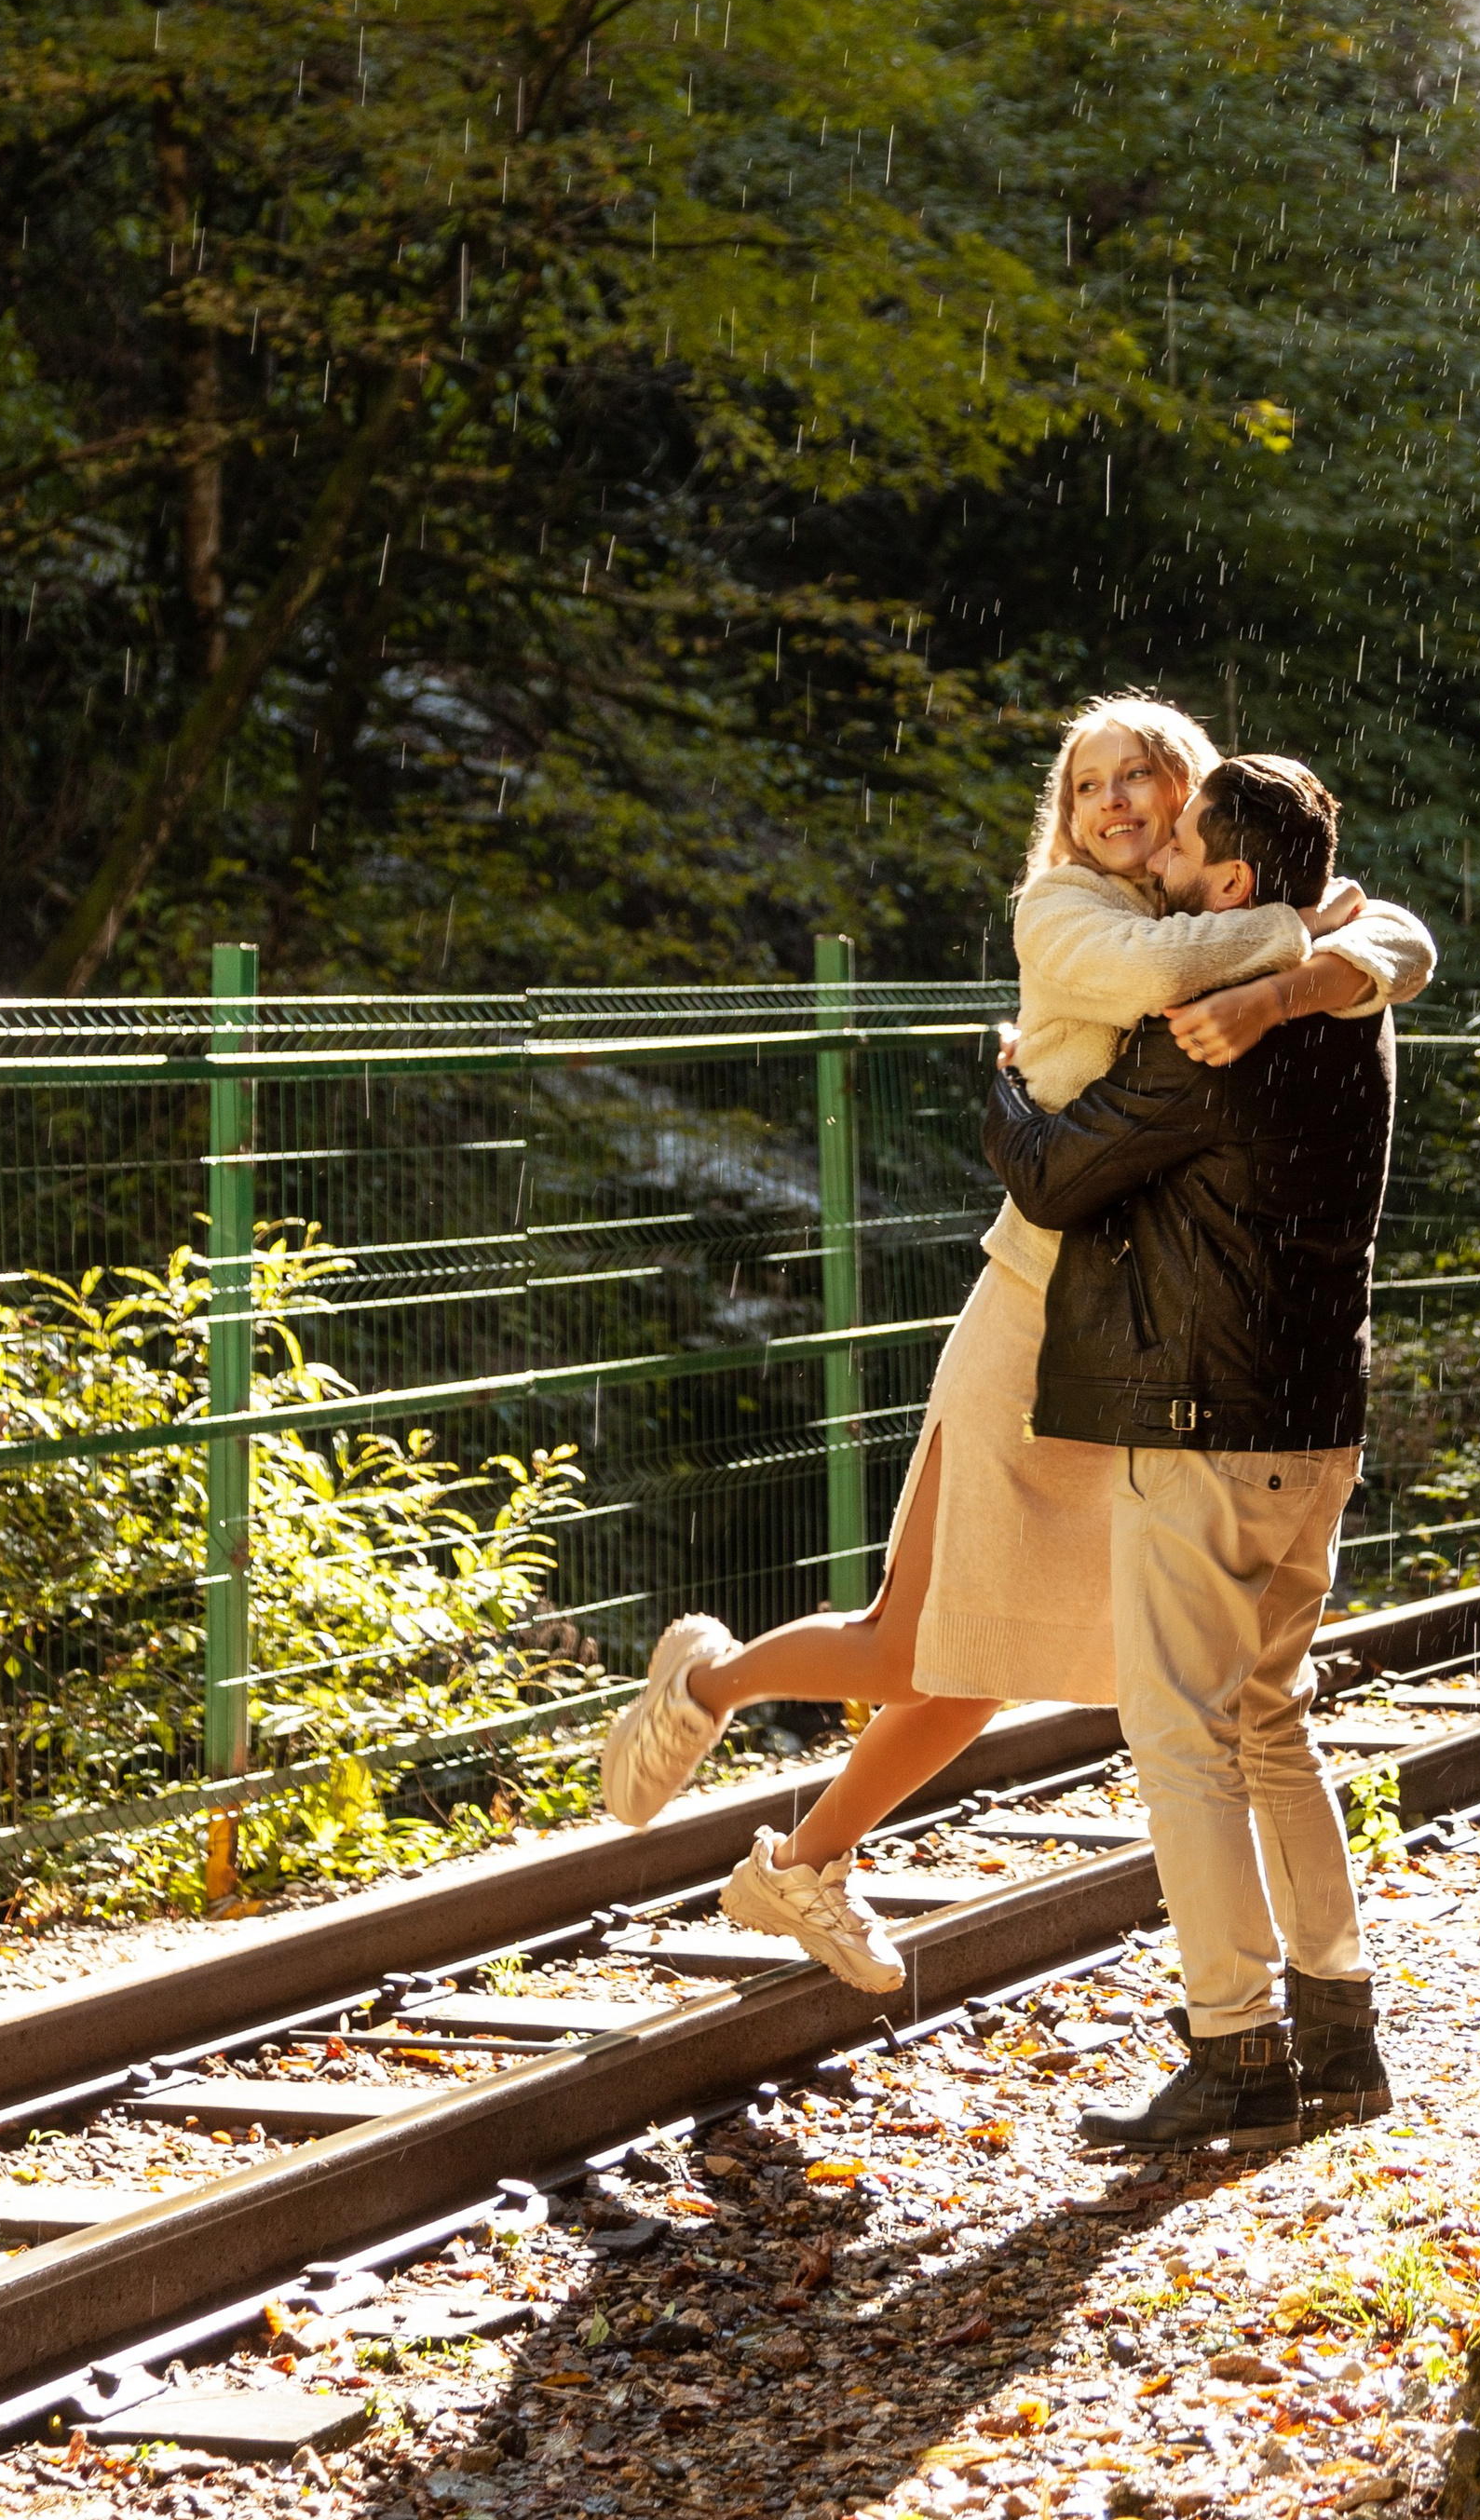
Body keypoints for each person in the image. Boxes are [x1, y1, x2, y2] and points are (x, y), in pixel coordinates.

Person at [596, 694, 1436, 1997]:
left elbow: (1409, 937)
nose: (1113, 799)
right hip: (1041, 1306)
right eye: (1088, 781)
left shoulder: (1211, 903)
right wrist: (1302, 945)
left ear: (1192, 803)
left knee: (1008, 1663)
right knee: (916, 1638)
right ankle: (713, 1677)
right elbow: (1173, 981)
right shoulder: (1070, 914)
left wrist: (1319, 960)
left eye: (1143, 776)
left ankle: (803, 1865)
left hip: (1156, 1341)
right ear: (1065, 815)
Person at [980, 752, 1396, 2156]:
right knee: (1272, 1716)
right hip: (1318, 1421)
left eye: (1182, 847)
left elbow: (1050, 1171)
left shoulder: (1211, 1036)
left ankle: (1234, 2044)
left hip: (1207, 1424)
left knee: (1180, 1735)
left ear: (1230, 878)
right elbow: (1387, 938)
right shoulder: (1352, 1000)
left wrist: (1001, 1087)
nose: (1153, 858)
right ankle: (1341, 2024)